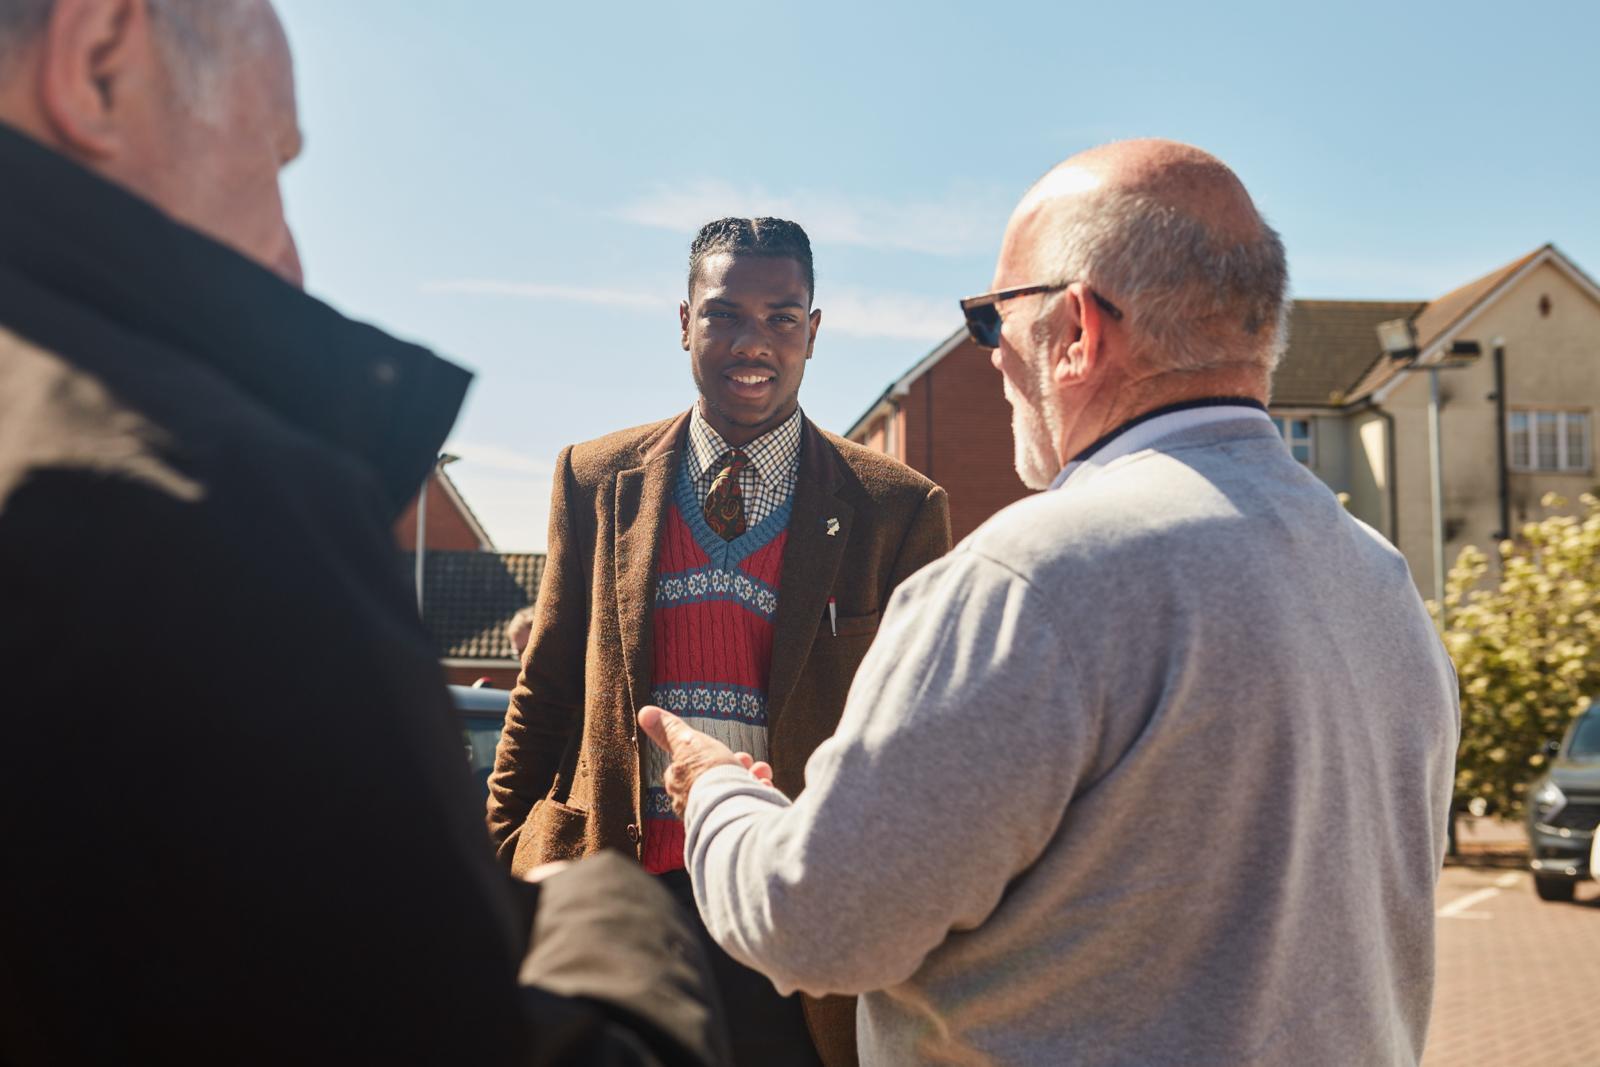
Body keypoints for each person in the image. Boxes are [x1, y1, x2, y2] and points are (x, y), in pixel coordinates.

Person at [0, 2, 726, 1063]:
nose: (291, 257)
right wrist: (609, 910)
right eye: (271, 160)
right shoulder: (189, 502)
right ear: (101, 63)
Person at [640, 139, 1461, 1065]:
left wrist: (712, 789)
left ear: (1075, 330)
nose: (992, 360)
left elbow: (813, 925)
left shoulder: (1033, 579)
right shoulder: (1382, 583)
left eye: (995, 320)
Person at [487, 217, 952, 1066]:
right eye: (725, 314)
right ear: (684, 322)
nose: (754, 342)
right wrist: (497, 859)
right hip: (619, 908)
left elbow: (920, 743)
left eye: (782, 318)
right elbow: (545, 689)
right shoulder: (594, 478)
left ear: (814, 332)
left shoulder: (896, 507)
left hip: (790, 920)